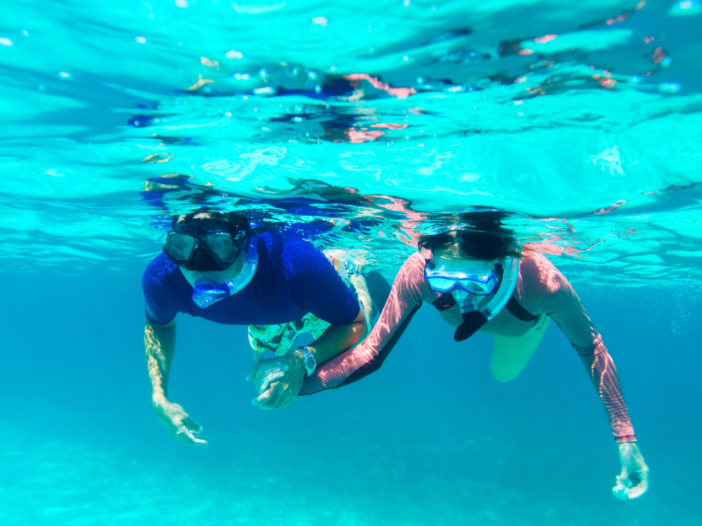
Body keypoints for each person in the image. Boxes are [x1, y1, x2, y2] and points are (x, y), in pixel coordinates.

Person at [253, 212, 649, 500]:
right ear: (430, 261)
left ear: (501, 262)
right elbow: (371, 352)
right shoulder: (417, 272)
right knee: (497, 372)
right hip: (486, 316)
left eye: (476, 280)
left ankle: (534, 333)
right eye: (445, 278)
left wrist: (625, 437)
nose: (462, 293)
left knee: (503, 373)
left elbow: (591, 346)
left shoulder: (541, 283)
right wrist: (298, 383)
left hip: (523, 325)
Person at [142, 211, 370, 445]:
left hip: (307, 289)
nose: (198, 265)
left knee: (363, 328)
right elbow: (159, 326)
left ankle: (355, 274)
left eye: (219, 244)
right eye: (182, 246)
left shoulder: (300, 267)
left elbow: (354, 323)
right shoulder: (162, 278)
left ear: (241, 241)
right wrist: (158, 394)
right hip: (278, 305)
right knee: (266, 351)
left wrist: (302, 360)